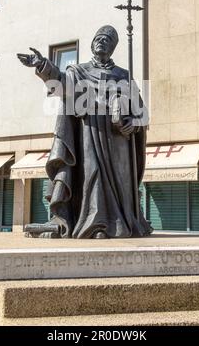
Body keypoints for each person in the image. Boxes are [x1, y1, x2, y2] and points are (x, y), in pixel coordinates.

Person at [17, 25, 152, 238]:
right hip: (90, 133)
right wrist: (43, 66)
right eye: (99, 38)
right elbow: (61, 85)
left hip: (119, 141)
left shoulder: (123, 75)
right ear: (91, 44)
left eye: (107, 39)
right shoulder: (78, 72)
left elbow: (142, 112)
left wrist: (134, 123)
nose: (102, 41)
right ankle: (96, 226)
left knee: (121, 185)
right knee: (93, 177)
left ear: (113, 47)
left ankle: (119, 225)